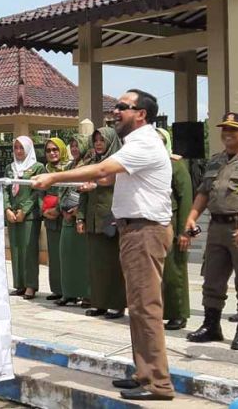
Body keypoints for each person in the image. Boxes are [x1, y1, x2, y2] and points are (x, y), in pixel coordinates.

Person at [33, 90, 174, 401]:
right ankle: (144, 373)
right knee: (137, 307)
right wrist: (96, 184)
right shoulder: (135, 144)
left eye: (123, 107)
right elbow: (110, 177)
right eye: (116, 106)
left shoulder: (145, 143)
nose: (115, 112)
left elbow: (101, 169)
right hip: (134, 230)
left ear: (142, 115)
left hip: (145, 231)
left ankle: (158, 384)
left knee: (146, 308)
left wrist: (54, 178)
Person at [182, 112, 238, 350]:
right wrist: (191, 217)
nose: (227, 134)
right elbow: (203, 192)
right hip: (217, 227)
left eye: (233, 129)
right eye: (224, 129)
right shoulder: (216, 160)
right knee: (212, 277)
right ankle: (212, 325)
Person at [76, 127, 126, 320]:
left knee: (113, 265)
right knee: (96, 265)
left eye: (102, 140)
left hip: (111, 219)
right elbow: (83, 194)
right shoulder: (91, 163)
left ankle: (116, 304)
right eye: (95, 140)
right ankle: (99, 303)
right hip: (93, 220)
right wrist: (81, 217)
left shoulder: (119, 164)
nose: (98, 144)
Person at [157, 128, 192, 331]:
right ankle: (162, 312)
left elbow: (185, 198)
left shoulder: (175, 166)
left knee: (174, 271)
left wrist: (183, 231)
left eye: (161, 143)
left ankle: (179, 313)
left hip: (173, 222)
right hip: (154, 224)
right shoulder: (151, 165)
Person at [4, 136, 44, 300]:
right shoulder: (10, 168)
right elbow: (5, 189)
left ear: (28, 149)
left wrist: (24, 210)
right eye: (16, 148)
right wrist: (7, 208)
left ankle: (30, 285)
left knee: (29, 250)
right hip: (12, 215)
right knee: (16, 250)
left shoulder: (37, 168)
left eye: (22, 148)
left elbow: (37, 192)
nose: (19, 151)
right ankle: (19, 284)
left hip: (29, 216)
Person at [58, 134, 91, 307]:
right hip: (66, 218)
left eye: (77, 145)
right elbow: (61, 189)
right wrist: (62, 209)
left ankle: (86, 294)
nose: (74, 149)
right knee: (67, 256)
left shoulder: (89, 166)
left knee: (82, 259)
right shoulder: (69, 166)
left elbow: (88, 193)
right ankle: (69, 293)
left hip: (81, 218)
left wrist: (78, 212)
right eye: (71, 146)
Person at [41, 138, 68, 302]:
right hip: (49, 217)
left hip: (65, 216)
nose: (52, 153)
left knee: (67, 255)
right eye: (49, 150)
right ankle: (57, 289)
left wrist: (58, 209)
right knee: (54, 255)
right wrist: (44, 211)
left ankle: (70, 290)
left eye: (55, 149)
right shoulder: (44, 171)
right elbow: (38, 193)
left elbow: (70, 192)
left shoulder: (69, 169)